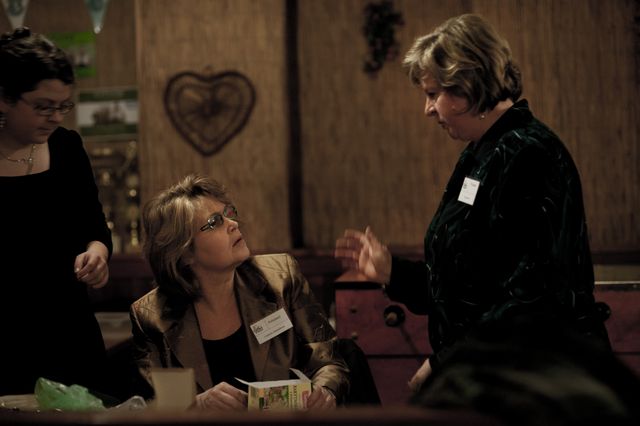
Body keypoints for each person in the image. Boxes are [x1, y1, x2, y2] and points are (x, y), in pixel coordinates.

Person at [334, 13, 611, 394]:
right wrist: (391, 272)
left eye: (433, 94)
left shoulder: (529, 153)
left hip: (542, 382)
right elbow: (466, 281)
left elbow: (534, 297)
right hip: (495, 372)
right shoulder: (481, 152)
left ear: (467, 86)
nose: (427, 109)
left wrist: (446, 360)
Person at [130, 174, 349, 410]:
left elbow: (329, 360)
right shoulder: (151, 316)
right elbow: (149, 407)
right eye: (214, 222)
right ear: (183, 253)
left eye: (228, 213)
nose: (232, 223)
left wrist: (326, 391)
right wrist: (196, 406)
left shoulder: (280, 277)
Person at [0, 28, 112, 395]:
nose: (55, 117)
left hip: (67, 329)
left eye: (63, 106)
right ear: (4, 97)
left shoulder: (67, 147)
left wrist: (97, 254)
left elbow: (94, 226)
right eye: (43, 106)